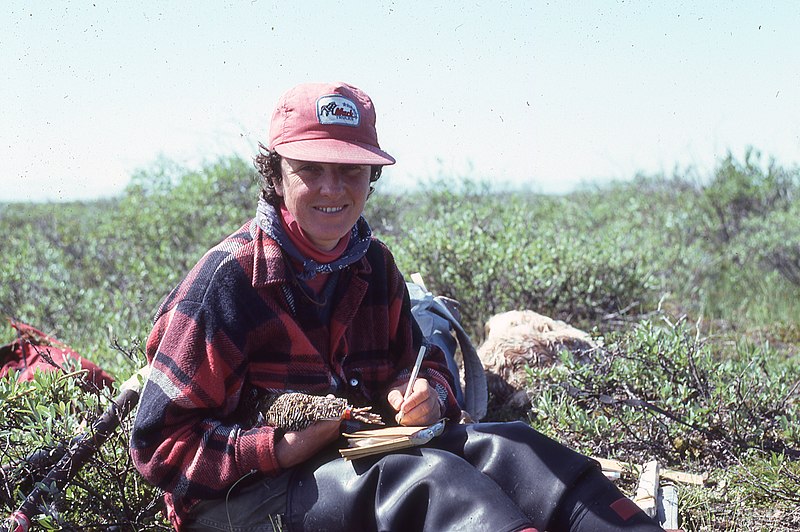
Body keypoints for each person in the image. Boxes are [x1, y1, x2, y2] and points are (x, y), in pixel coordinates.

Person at [130, 82, 664, 532]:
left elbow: (411, 361)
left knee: (515, 449)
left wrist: (423, 393)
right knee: (431, 482)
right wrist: (279, 448)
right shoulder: (226, 284)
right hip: (244, 502)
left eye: (351, 171)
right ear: (275, 175)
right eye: (310, 168)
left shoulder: (371, 265)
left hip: (351, 462)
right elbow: (157, 448)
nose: (332, 188)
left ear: (372, 178)